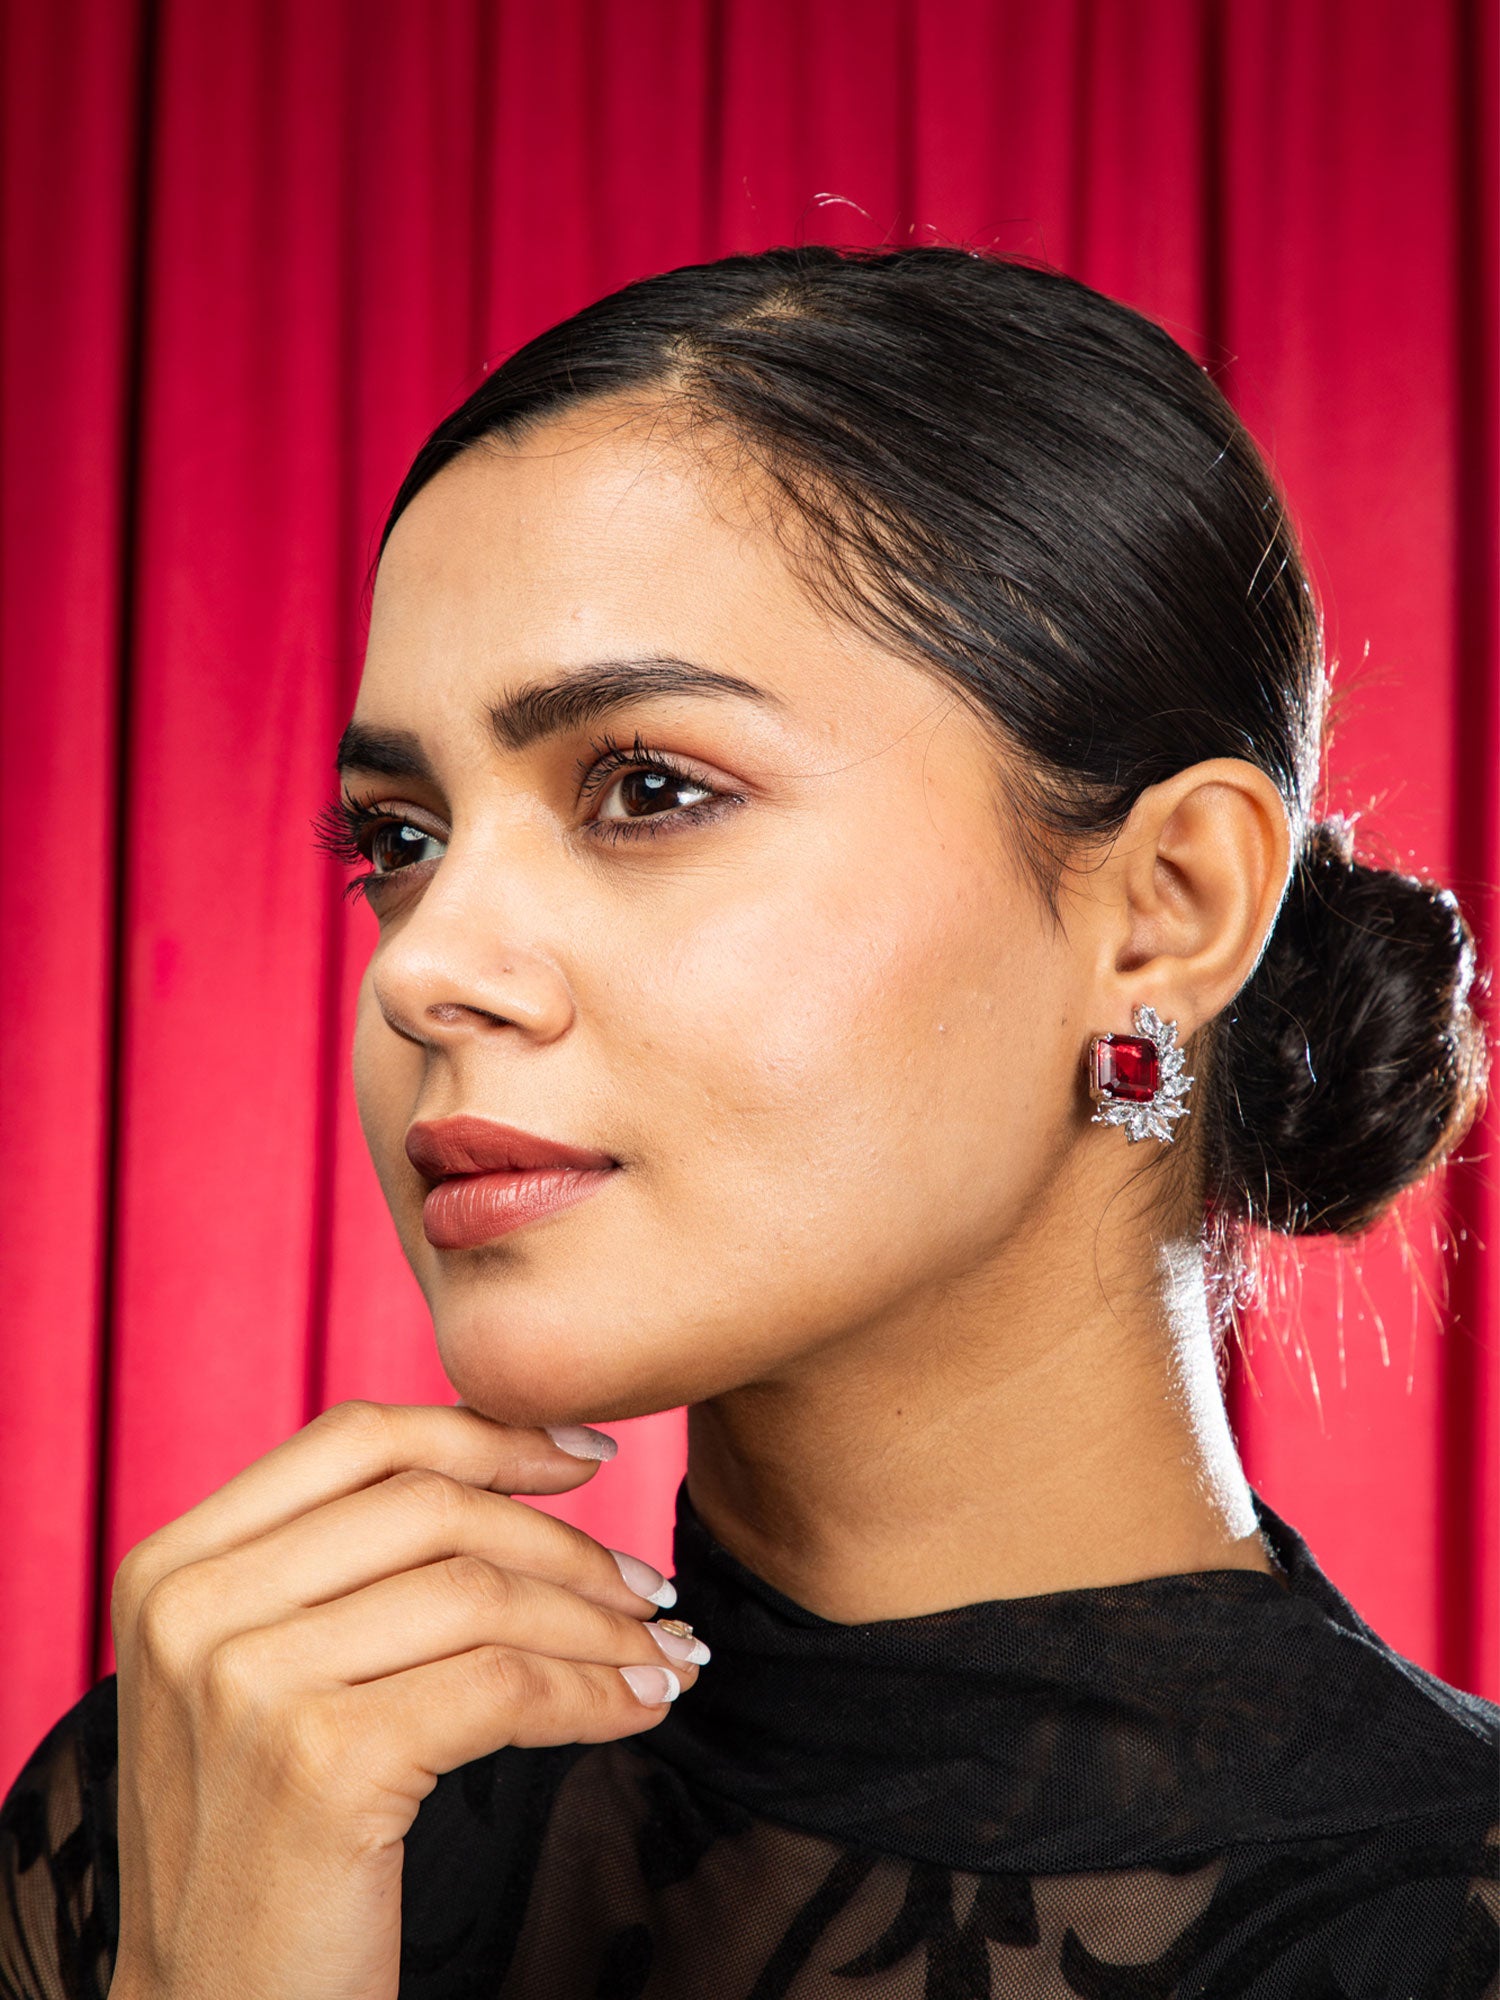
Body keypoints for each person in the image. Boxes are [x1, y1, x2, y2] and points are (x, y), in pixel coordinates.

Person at [1, 243, 1495, 2000]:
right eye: (400, 843)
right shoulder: (210, 1811)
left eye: (647, 789)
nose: (428, 973)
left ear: (1165, 903)